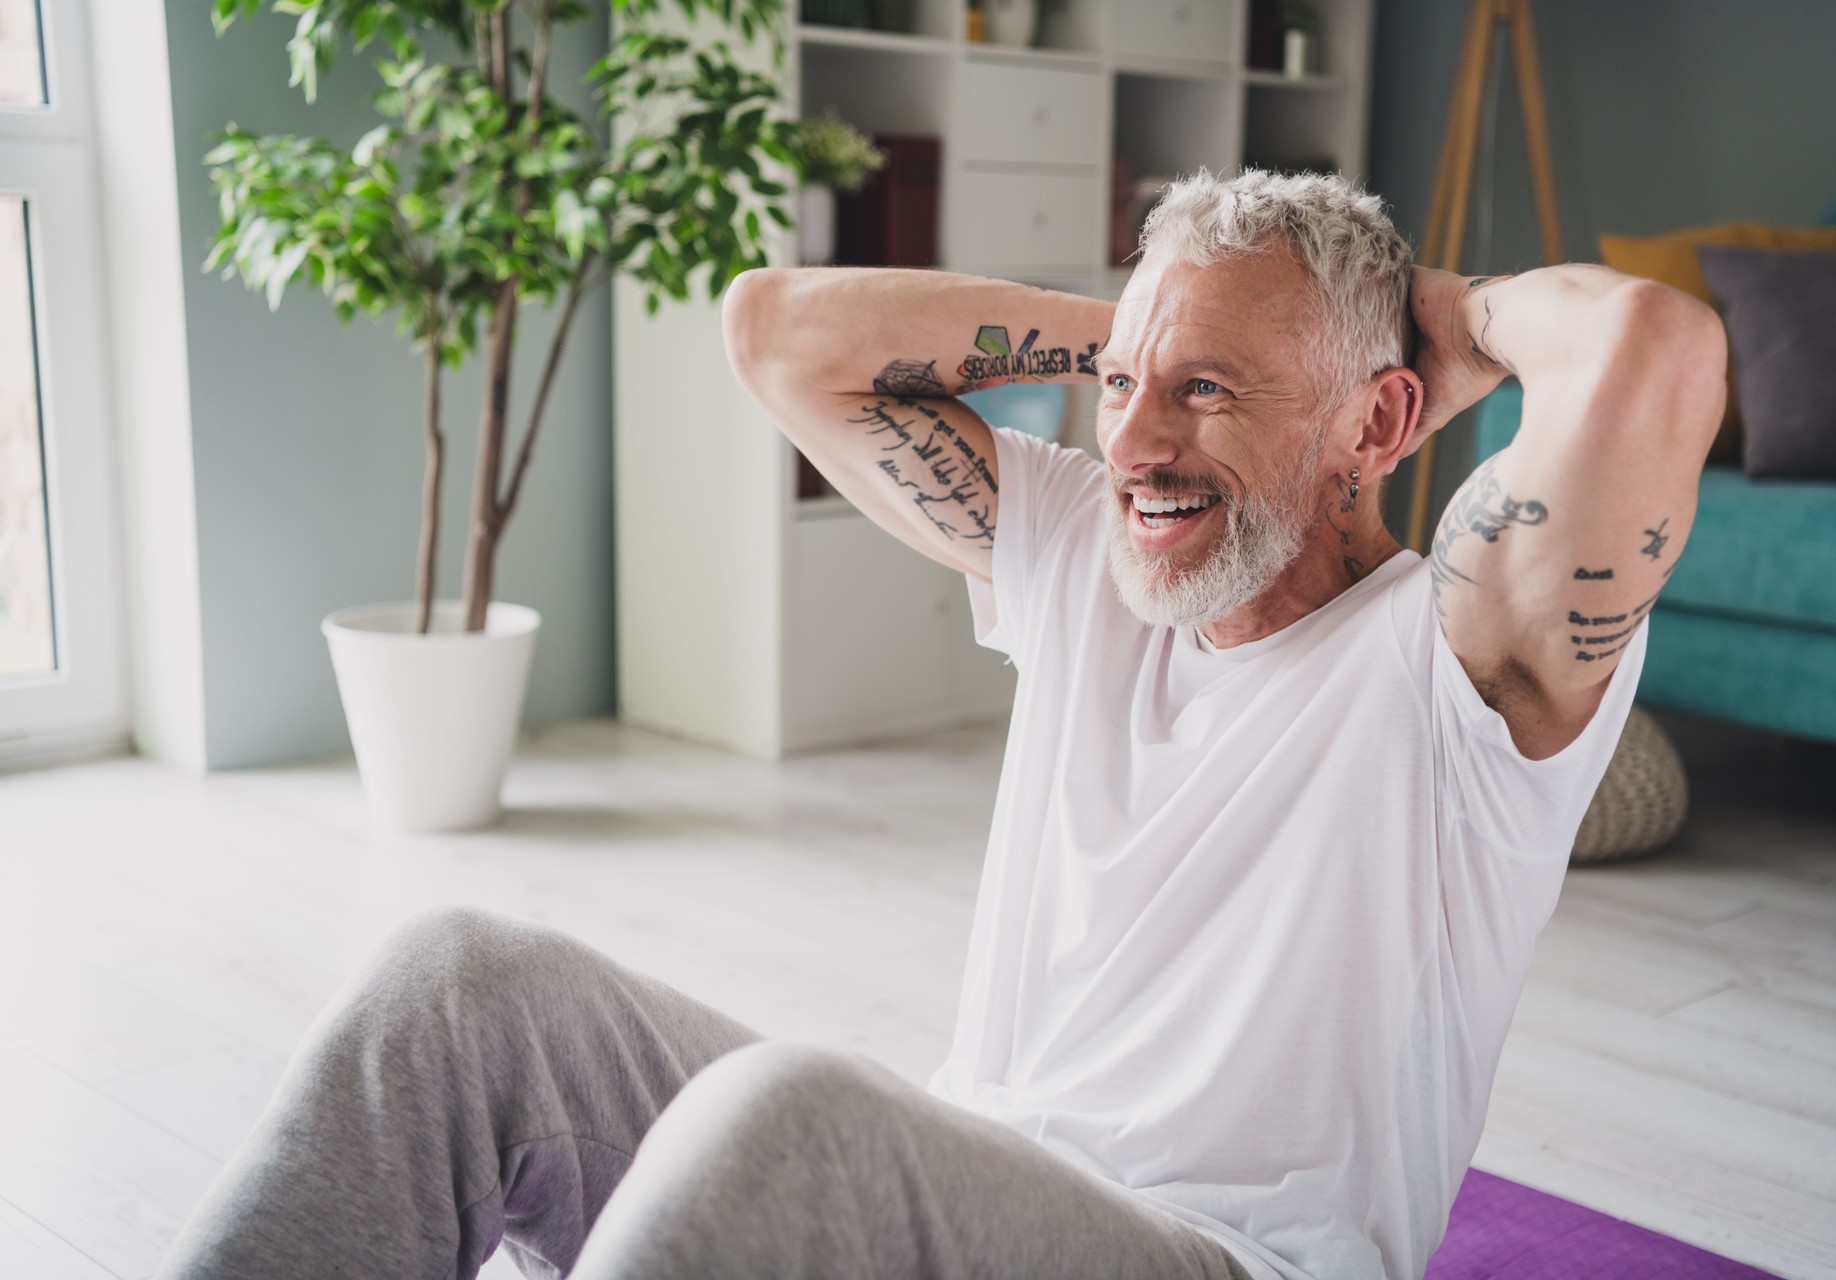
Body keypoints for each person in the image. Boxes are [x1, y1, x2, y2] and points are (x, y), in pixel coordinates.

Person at [155, 170, 1724, 1280]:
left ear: (1376, 422)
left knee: (793, 1118)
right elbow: (778, 331)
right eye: (1123, 387)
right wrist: (1158, 332)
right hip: (975, 1198)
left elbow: (1656, 347)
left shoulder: (1459, 659)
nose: (1135, 443)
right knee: (455, 987)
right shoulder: (1089, 553)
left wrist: (1435, 318)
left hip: (1224, 1257)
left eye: (1208, 394)